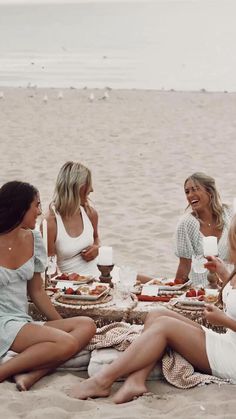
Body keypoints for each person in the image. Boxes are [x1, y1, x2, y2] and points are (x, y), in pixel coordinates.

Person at [69, 214, 236, 404]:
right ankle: (135, 381)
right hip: (227, 342)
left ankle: (102, 380)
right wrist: (223, 273)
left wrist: (223, 320)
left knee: (164, 325)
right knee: (157, 313)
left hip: (231, 358)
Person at [0, 180, 96, 391]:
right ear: (20, 207)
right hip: (2, 323)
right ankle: (3, 372)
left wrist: (60, 327)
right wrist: (62, 338)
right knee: (67, 343)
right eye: (36, 205)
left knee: (86, 325)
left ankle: (33, 374)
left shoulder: (34, 239)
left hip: (21, 321)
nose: (39, 211)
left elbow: (36, 291)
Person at [174, 172, 232, 287]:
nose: (190, 195)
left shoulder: (229, 214)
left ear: (209, 192)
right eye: (187, 192)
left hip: (230, 286)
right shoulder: (186, 224)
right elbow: (184, 265)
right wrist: (174, 291)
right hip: (201, 291)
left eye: (195, 189)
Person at [46, 161, 100, 277]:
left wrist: (97, 248)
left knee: (148, 282)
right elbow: (51, 271)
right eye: (89, 184)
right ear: (79, 187)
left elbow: (96, 238)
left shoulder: (90, 213)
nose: (92, 190)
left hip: (102, 274)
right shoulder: (51, 223)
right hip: (76, 285)